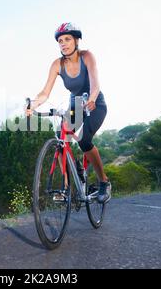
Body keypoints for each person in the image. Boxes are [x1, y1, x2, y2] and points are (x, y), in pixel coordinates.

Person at [25, 22, 111, 203]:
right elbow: (45, 92)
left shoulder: (86, 56)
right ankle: (66, 187)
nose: (63, 43)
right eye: (60, 41)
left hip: (96, 103)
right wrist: (33, 104)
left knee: (84, 140)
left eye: (67, 39)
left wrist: (92, 99)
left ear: (76, 40)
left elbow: (95, 83)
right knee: (62, 137)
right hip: (76, 104)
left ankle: (104, 181)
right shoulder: (57, 64)